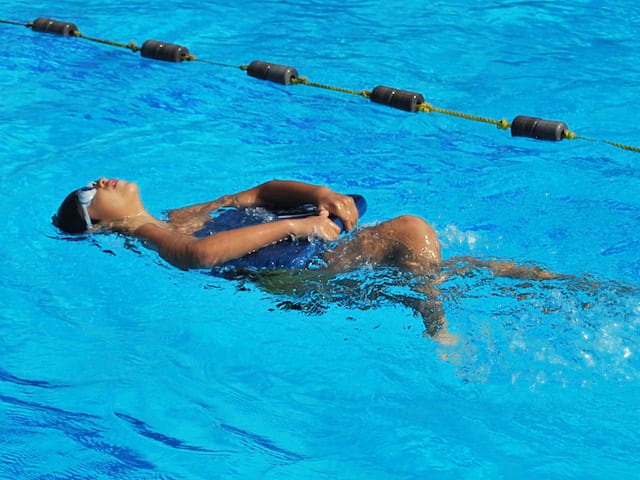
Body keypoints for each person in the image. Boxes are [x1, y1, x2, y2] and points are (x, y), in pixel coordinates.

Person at [53, 178, 563, 344]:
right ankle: (440, 333)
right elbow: (202, 256)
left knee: (460, 268)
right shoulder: (153, 233)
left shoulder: (178, 215)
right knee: (413, 233)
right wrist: (298, 225)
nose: (99, 183)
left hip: (301, 268)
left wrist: (318, 194)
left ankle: (565, 288)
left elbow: (258, 193)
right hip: (285, 279)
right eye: (87, 193)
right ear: (98, 223)